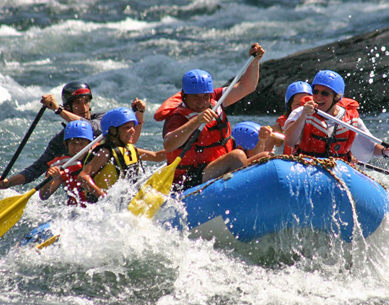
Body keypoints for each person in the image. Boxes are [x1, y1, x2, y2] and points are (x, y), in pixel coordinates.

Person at [0, 81, 147, 189]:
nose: (83, 107)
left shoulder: (104, 121)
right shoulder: (63, 140)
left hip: (111, 185)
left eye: (86, 101)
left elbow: (90, 128)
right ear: (69, 107)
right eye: (77, 103)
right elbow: (36, 169)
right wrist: (7, 182)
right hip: (84, 195)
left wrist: (139, 114)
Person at [155, 43, 265, 190]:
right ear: (184, 96)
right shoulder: (177, 117)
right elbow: (169, 144)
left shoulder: (216, 99)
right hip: (190, 179)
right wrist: (196, 121)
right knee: (237, 156)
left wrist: (254, 62)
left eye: (205, 97)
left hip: (217, 167)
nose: (201, 102)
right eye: (195, 97)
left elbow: (247, 87)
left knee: (264, 156)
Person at [284, 70, 389, 163]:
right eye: (315, 91)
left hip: (338, 169)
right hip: (306, 165)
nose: (318, 97)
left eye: (325, 93)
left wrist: (386, 151)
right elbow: (289, 141)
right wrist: (304, 116)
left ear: (336, 97)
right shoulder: (301, 112)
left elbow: (371, 148)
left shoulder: (351, 120)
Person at [78, 108, 165, 201]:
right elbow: (82, 176)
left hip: (122, 202)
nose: (133, 130)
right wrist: (102, 196)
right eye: (127, 127)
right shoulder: (105, 152)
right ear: (113, 131)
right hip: (102, 206)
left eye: (133, 127)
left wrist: (177, 150)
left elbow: (156, 156)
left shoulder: (129, 149)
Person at [39, 120, 94, 206]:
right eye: (73, 144)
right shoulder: (62, 166)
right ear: (66, 144)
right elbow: (44, 196)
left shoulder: (98, 156)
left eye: (82, 143)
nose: (78, 148)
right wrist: (48, 181)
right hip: (77, 210)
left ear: (90, 144)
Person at [270, 81, 313, 155]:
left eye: (307, 103)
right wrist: (263, 138)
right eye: (298, 104)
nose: (303, 107)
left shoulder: (320, 123)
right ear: (290, 106)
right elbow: (265, 154)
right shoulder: (278, 128)